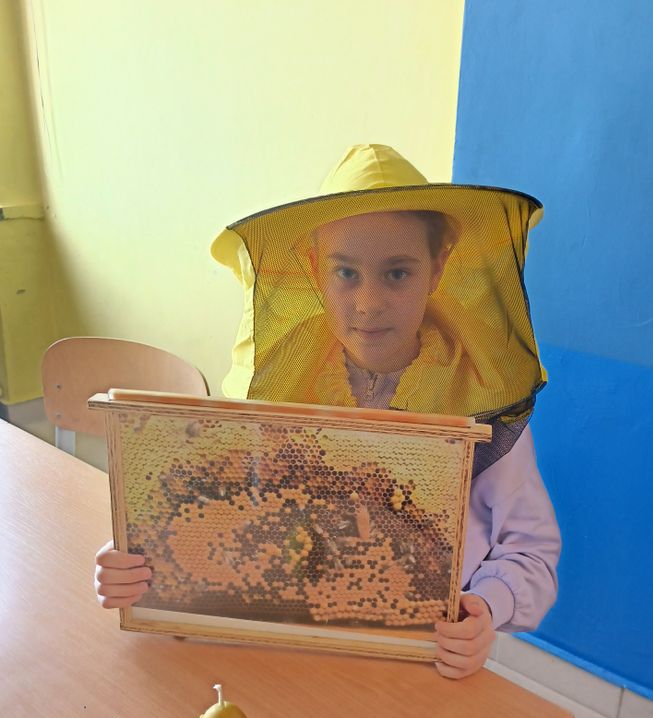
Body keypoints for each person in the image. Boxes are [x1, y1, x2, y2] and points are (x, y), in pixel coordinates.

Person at [95, 144, 561, 679]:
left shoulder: (481, 399)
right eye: (346, 272)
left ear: (437, 268)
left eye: (397, 273)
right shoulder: (283, 384)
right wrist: (140, 556)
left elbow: (531, 553)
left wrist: (486, 607)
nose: (368, 304)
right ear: (316, 270)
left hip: (420, 663)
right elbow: (229, 507)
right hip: (294, 655)